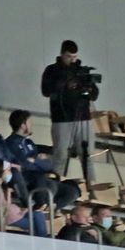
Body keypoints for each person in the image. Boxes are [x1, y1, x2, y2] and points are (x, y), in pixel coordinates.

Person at [40, 40, 98, 183]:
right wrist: (65, 83)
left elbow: (94, 94)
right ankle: (55, 184)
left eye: (74, 57)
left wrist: (88, 87)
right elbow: (46, 91)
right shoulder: (52, 70)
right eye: (68, 57)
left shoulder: (81, 71)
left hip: (83, 117)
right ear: (62, 54)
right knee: (60, 154)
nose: (72, 60)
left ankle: (91, 186)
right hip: (62, 118)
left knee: (86, 155)